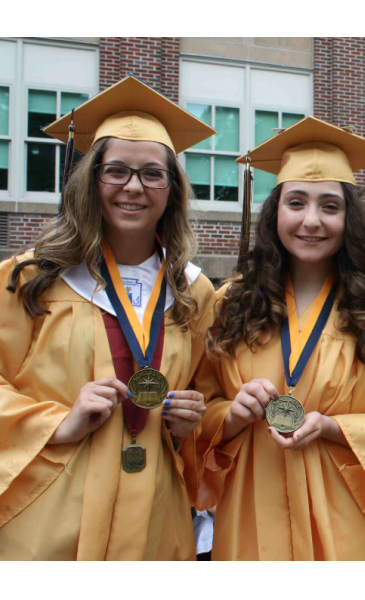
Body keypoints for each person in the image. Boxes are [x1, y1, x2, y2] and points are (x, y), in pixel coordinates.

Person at [0, 75, 217, 559]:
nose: (133, 188)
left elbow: (207, 399)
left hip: (155, 517)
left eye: (152, 174)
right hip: (48, 514)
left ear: (172, 189)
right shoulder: (30, 277)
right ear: (90, 179)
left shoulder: (193, 291)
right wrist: (58, 421)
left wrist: (188, 425)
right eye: (116, 170)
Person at [191, 116, 365, 560]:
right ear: (275, 212)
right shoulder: (231, 304)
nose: (311, 221)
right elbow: (197, 412)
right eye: (296, 203)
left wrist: (333, 427)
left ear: (349, 217)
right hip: (250, 518)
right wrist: (232, 415)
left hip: (342, 525)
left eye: (330, 207)